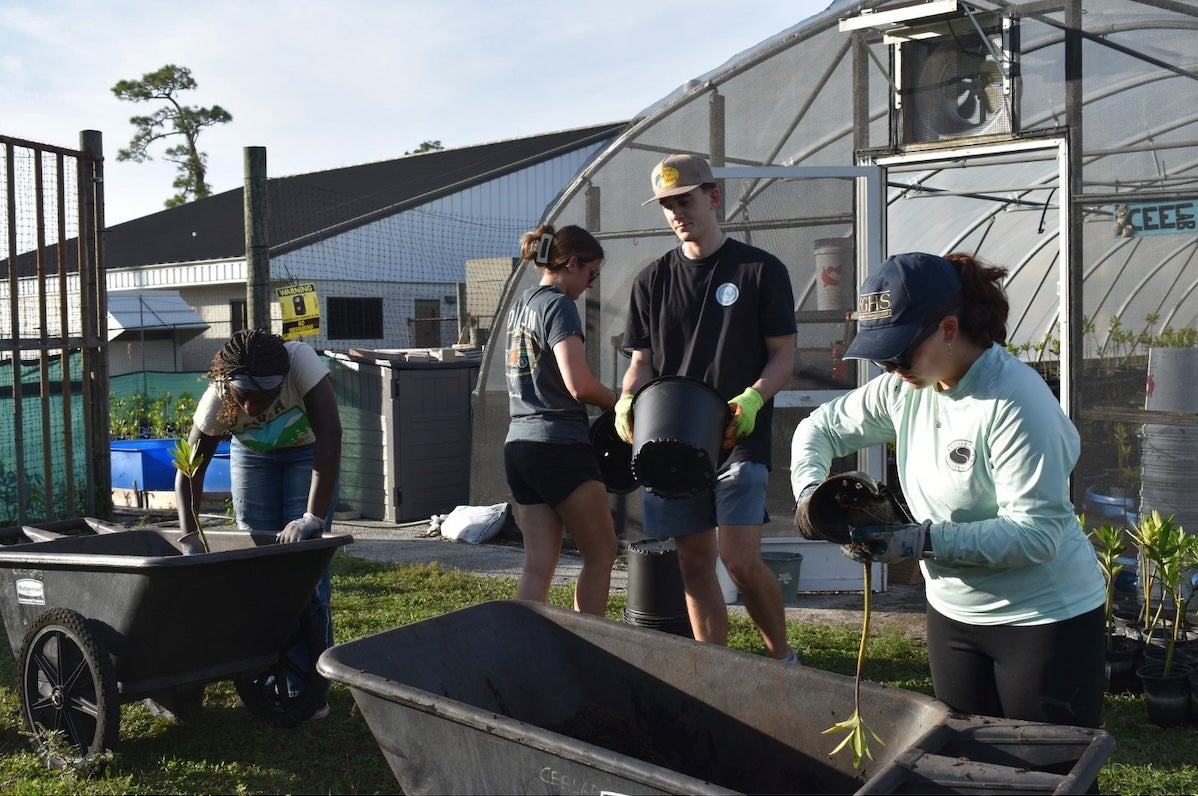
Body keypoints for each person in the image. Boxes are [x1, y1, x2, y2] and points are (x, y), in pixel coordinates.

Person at [791, 251, 1106, 728]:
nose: (890, 368)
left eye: (899, 352)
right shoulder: (907, 388)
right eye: (881, 355)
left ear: (949, 329)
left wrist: (924, 540)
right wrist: (809, 493)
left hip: (1043, 619)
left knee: (1051, 776)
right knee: (968, 765)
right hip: (952, 615)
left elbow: (1038, 535)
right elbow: (818, 430)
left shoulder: (1014, 401)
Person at [616, 154, 798, 661]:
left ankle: (781, 659)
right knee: (694, 564)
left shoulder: (759, 270)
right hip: (671, 441)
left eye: (685, 200)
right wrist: (629, 397)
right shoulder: (651, 280)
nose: (677, 213)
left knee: (739, 561)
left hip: (737, 437)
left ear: (712, 197)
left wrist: (755, 397)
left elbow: (784, 354)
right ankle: (714, 669)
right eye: (667, 205)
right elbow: (641, 362)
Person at [175, 328, 342, 720]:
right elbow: (188, 472)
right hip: (254, 458)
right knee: (257, 568)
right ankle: (264, 677)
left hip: (307, 454)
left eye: (264, 397)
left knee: (306, 569)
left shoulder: (301, 362)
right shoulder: (218, 395)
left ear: (282, 381)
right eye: (243, 396)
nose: (252, 406)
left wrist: (311, 518)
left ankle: (308, 685)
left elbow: (331, 435)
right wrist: (188, 537)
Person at [504, 223, 620, 616]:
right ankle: (589, 651)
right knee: (602, 552)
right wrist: (619, 401)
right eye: (593, 272)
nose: (591, 283)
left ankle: (521, 652)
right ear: (572, 263)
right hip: (558, 445)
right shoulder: (558, 305)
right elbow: (580, 386)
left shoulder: (522, 304)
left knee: (538, 565)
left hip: (519, 446)